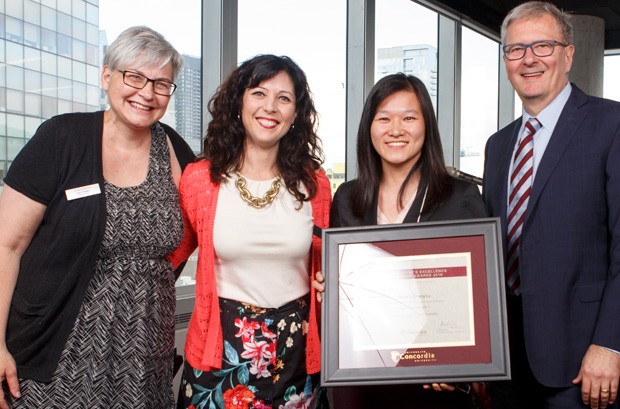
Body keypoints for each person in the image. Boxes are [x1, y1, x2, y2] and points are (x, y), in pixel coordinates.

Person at [0, 26, 195, 408]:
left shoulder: (174, 147)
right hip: (54, 350)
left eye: (161, 83)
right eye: (134, 76)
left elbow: (208, 224)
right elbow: (6, 245)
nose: (147, 93)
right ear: (107, 75)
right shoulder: (61, 138)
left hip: (144, 354)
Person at [168, 54, 331, 409]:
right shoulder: (200, 180)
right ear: (238, 102)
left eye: (284, 98)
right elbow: (169, 257)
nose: (270, 107)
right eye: (259, 93)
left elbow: (330, 267)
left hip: (297, 358)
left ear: (296, 114)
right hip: (219, 354)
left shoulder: (315, 185)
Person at [315, 73, 487, 409]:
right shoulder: (348, 199)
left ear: (427, 126)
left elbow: (478, 297)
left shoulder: (460, 197)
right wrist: (330, 295)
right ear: (369, 127)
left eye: (409, 117)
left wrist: (461, 362)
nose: (396, 129)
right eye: (384, 119)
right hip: (363, 382)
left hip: (435, 384)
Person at [482, 2, 620, 408]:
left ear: (569, 54)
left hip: (581, 359)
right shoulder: (498, 145)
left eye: (543, 46)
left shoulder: (611, 125)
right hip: (505, 358)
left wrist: (610, 345)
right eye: (515, 49)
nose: (528, 59)